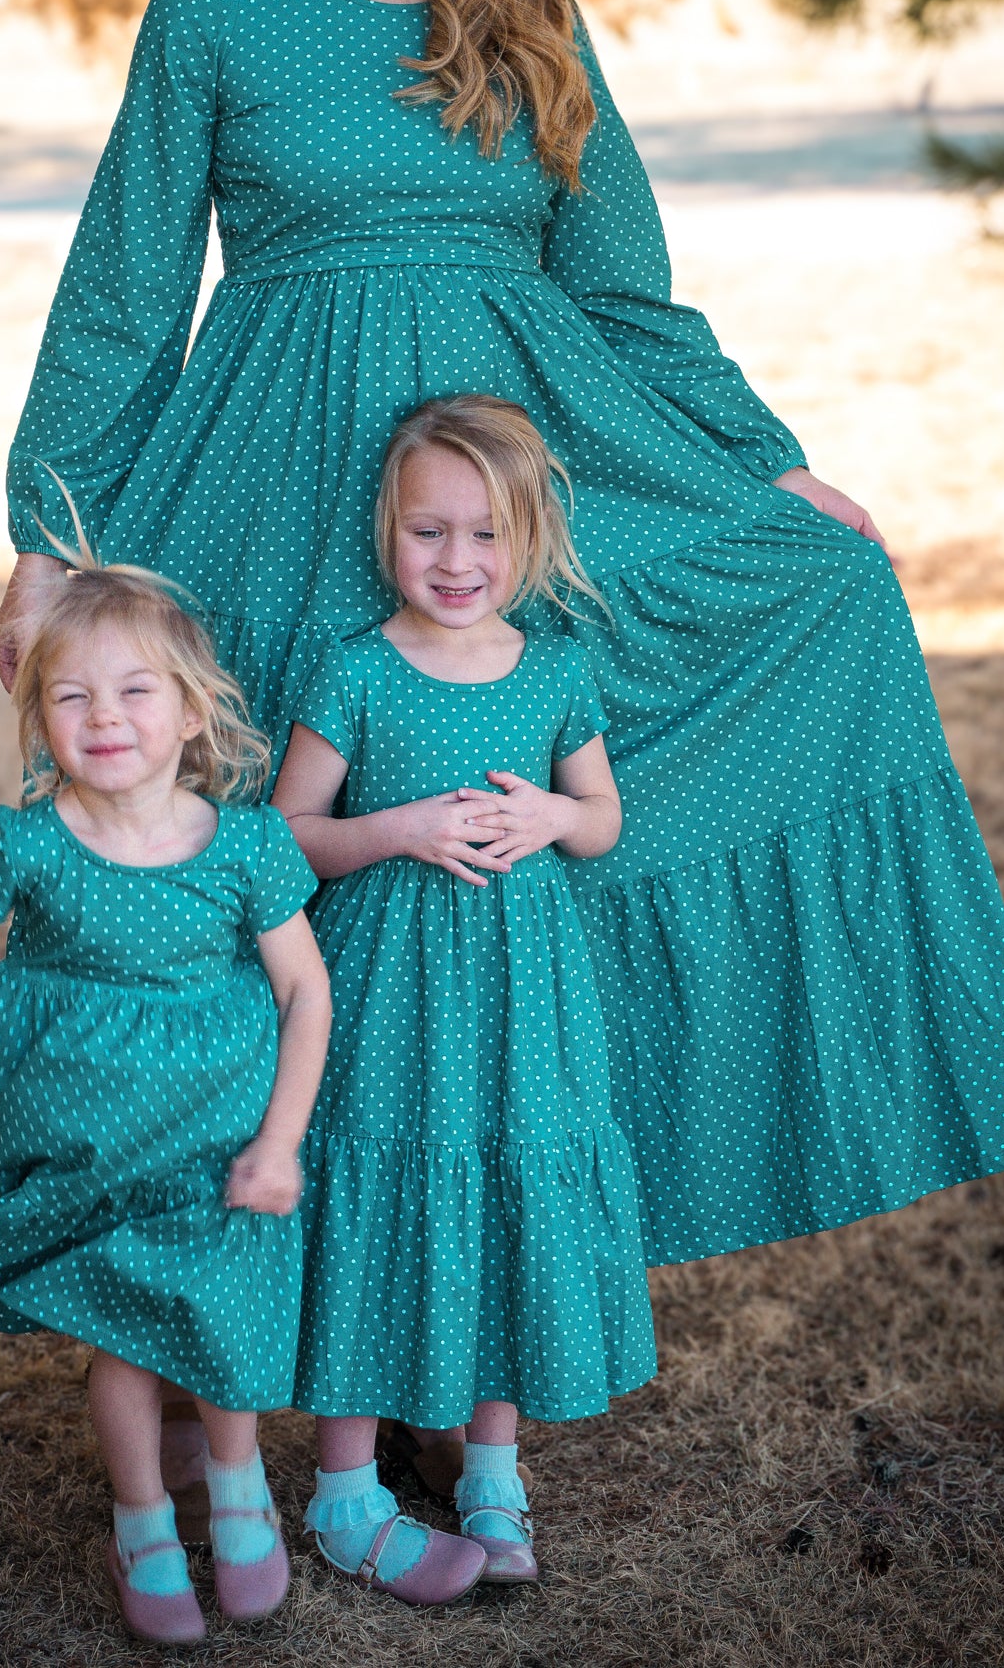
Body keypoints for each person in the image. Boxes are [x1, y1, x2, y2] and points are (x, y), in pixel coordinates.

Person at [0, 0, 1004, 1343]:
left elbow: (624, 283)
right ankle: (251, 1321)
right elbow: (126, 283)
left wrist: (763, 457)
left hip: (500, 492)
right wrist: (51, 543)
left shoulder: (526, 9)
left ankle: (456, 1328)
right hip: (273, 487)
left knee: (492, 889)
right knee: (304, 883)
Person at [0, 549, 331, 1645]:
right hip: (81, 1137)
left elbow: (304, 989)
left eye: (135, 691)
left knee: (222, 1313)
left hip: (217, 1132)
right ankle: (140, 1521)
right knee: (121, 1332)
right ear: (38, 715)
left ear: (189, 711)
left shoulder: (245, 844)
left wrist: (280, 1142)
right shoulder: (25, 840)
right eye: (71, 695)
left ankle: (236, 1492)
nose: (105, 716)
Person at [274, 395, 656, 1602]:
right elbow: (288, 837)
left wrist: (550, 814)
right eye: (427, 532)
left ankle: (490, 1465)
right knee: (379, 1202)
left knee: (505, 1196)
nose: (455, 560)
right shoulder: (353, 668)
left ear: (528, 538)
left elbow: (598, 820)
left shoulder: (554, 667)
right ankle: (344, 1484)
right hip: (385, 992)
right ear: (386, 532)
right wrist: (397, 828)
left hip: (521, 995)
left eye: (484, 534)